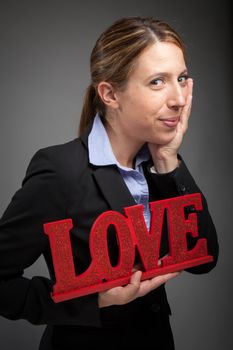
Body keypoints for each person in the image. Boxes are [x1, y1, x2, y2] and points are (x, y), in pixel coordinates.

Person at [0, 16, 219, 350]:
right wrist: (93, 302)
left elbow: (205, 259)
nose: (178, 98)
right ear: (110, 94)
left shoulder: (162, 161)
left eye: (182, 78)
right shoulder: (60, 171)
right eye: (158, 82)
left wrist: (168, 161)